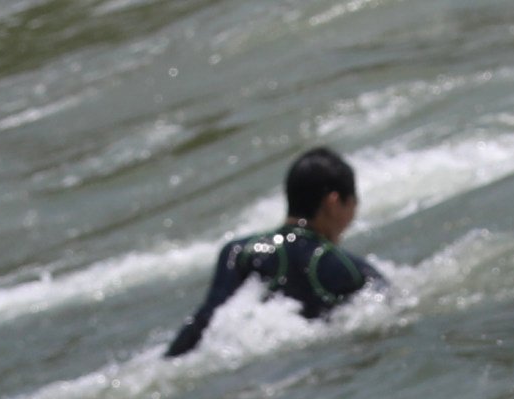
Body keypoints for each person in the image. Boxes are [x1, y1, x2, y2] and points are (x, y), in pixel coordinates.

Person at [162, 147, 385, 359]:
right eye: (353, 204)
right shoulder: (348, 269)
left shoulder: (239, 252)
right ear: (334, 202)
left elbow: (204, 322)